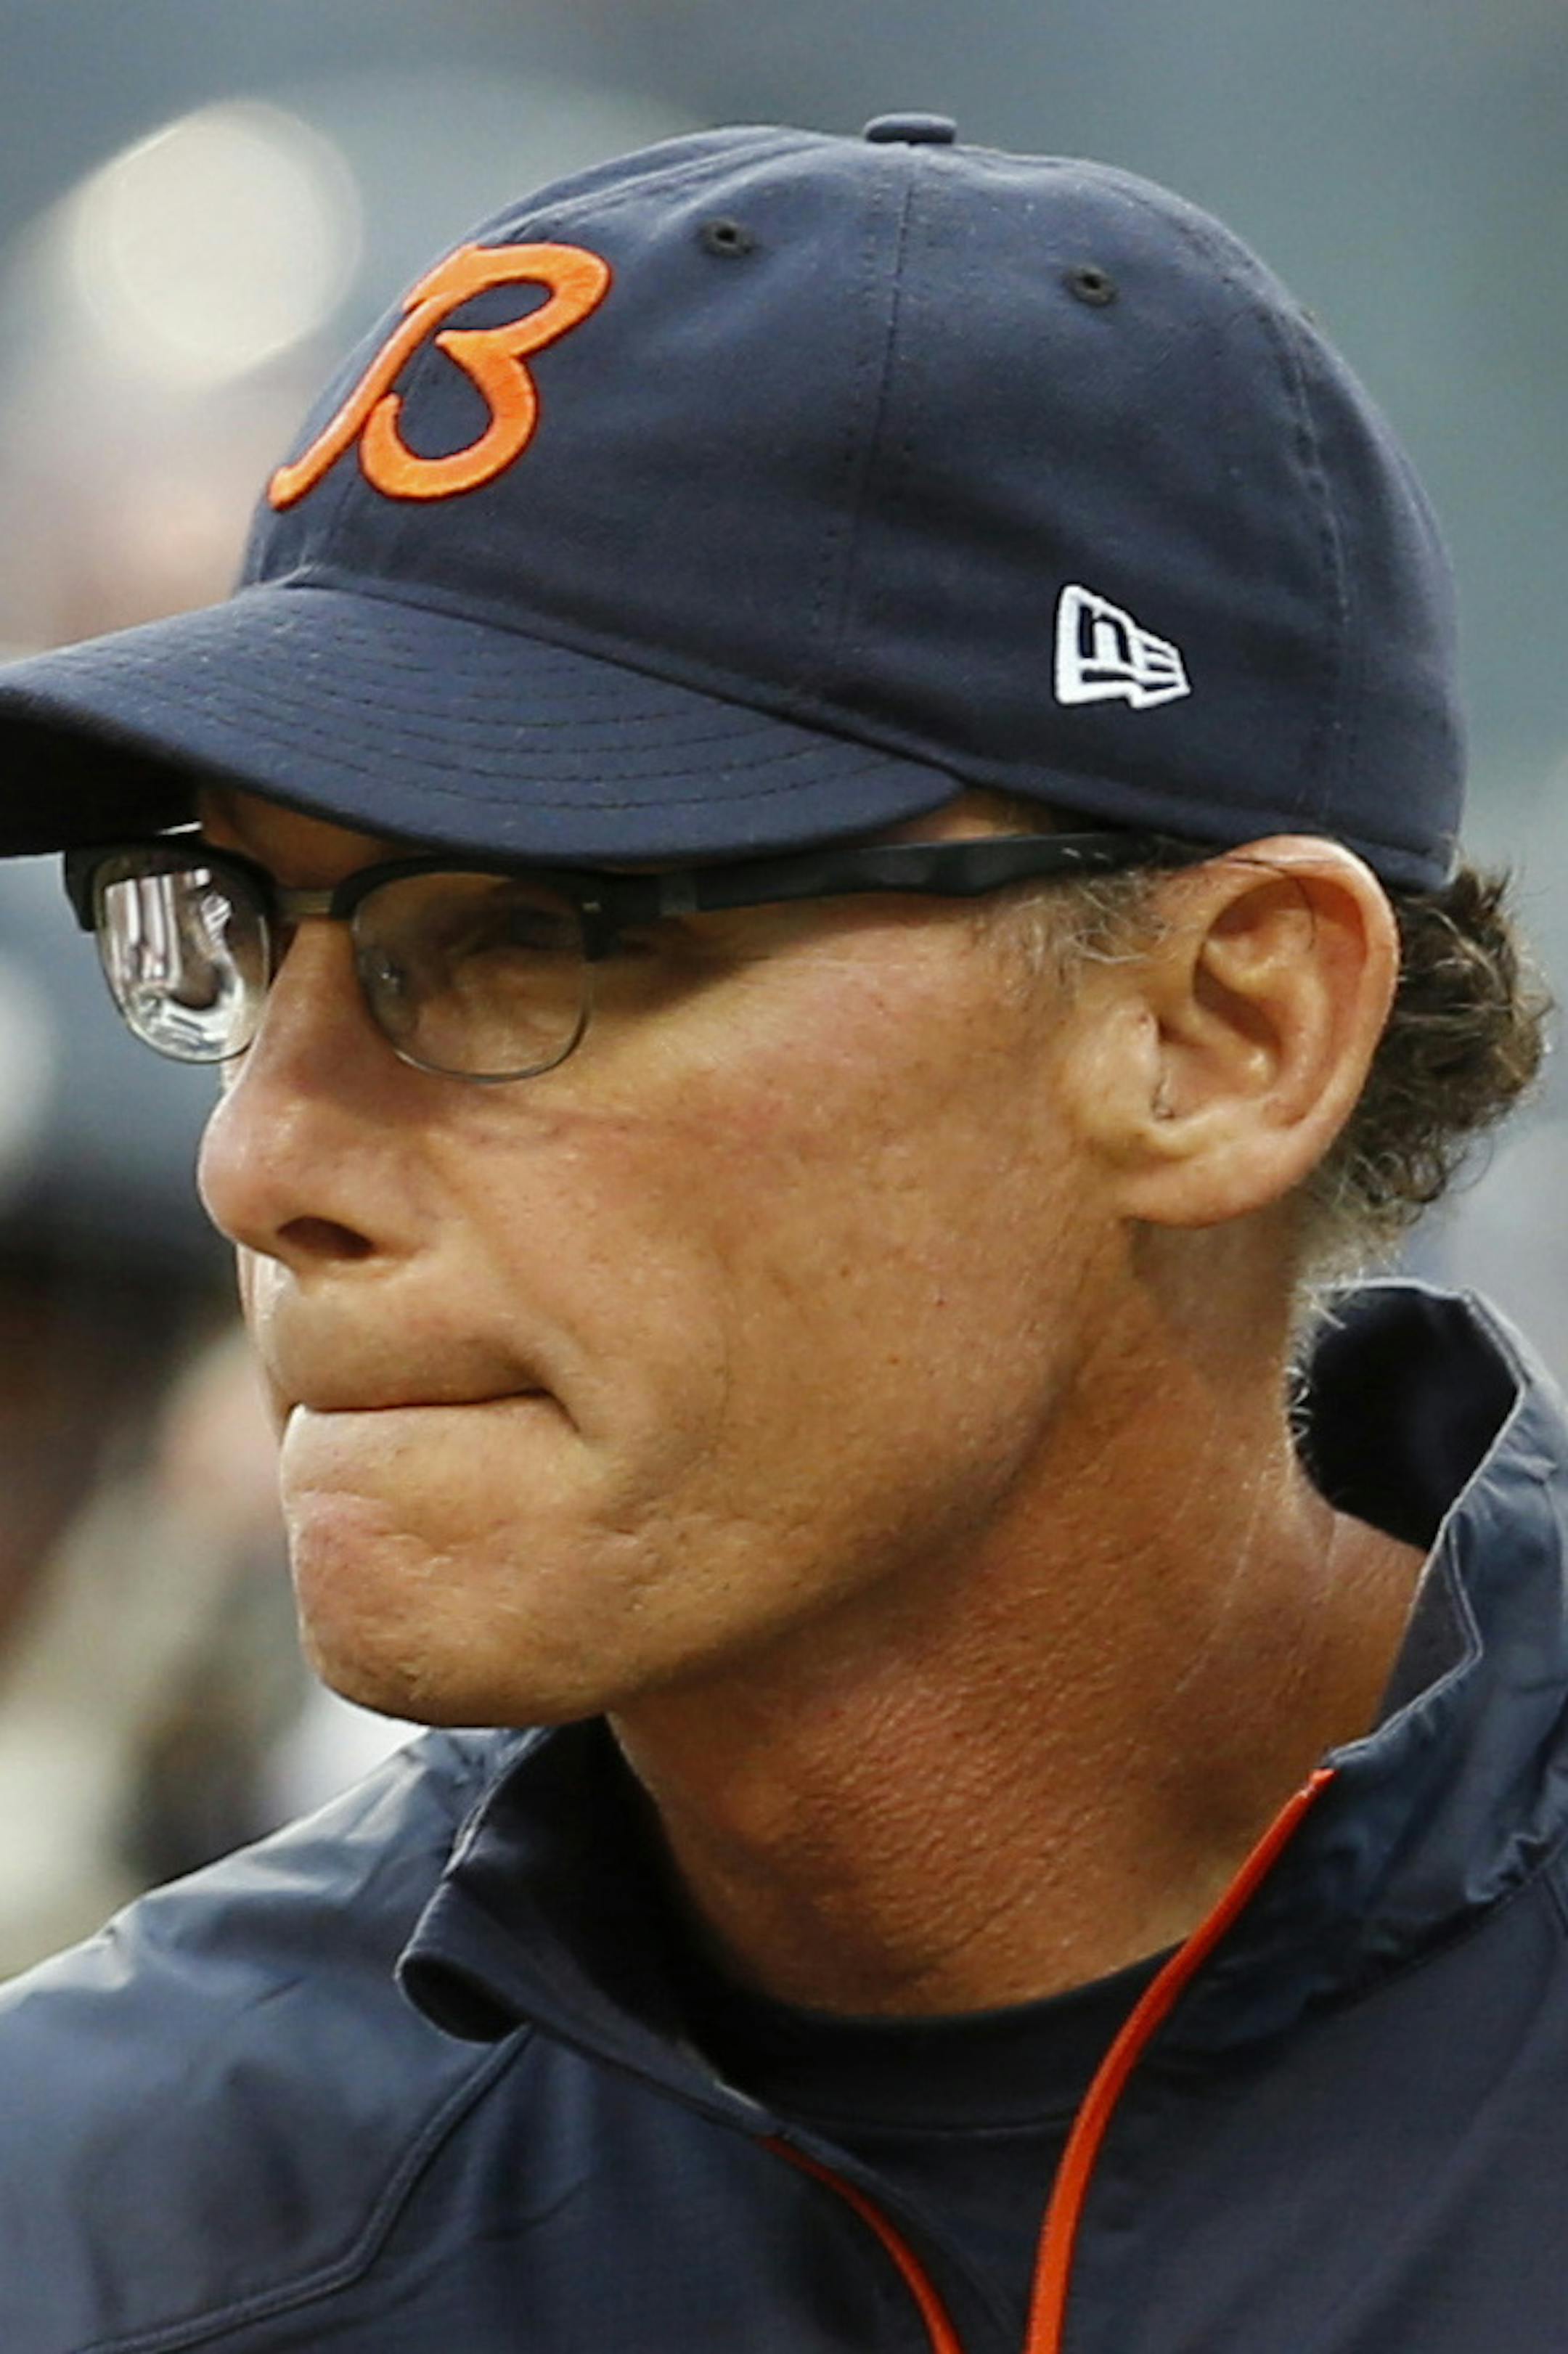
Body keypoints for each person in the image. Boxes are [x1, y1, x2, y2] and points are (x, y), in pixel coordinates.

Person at [0, 113, 1555, 2354]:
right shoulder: (103, 2212)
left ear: (1224, 1031)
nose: (262, 1161)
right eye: (245, 929)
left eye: (530, 932)